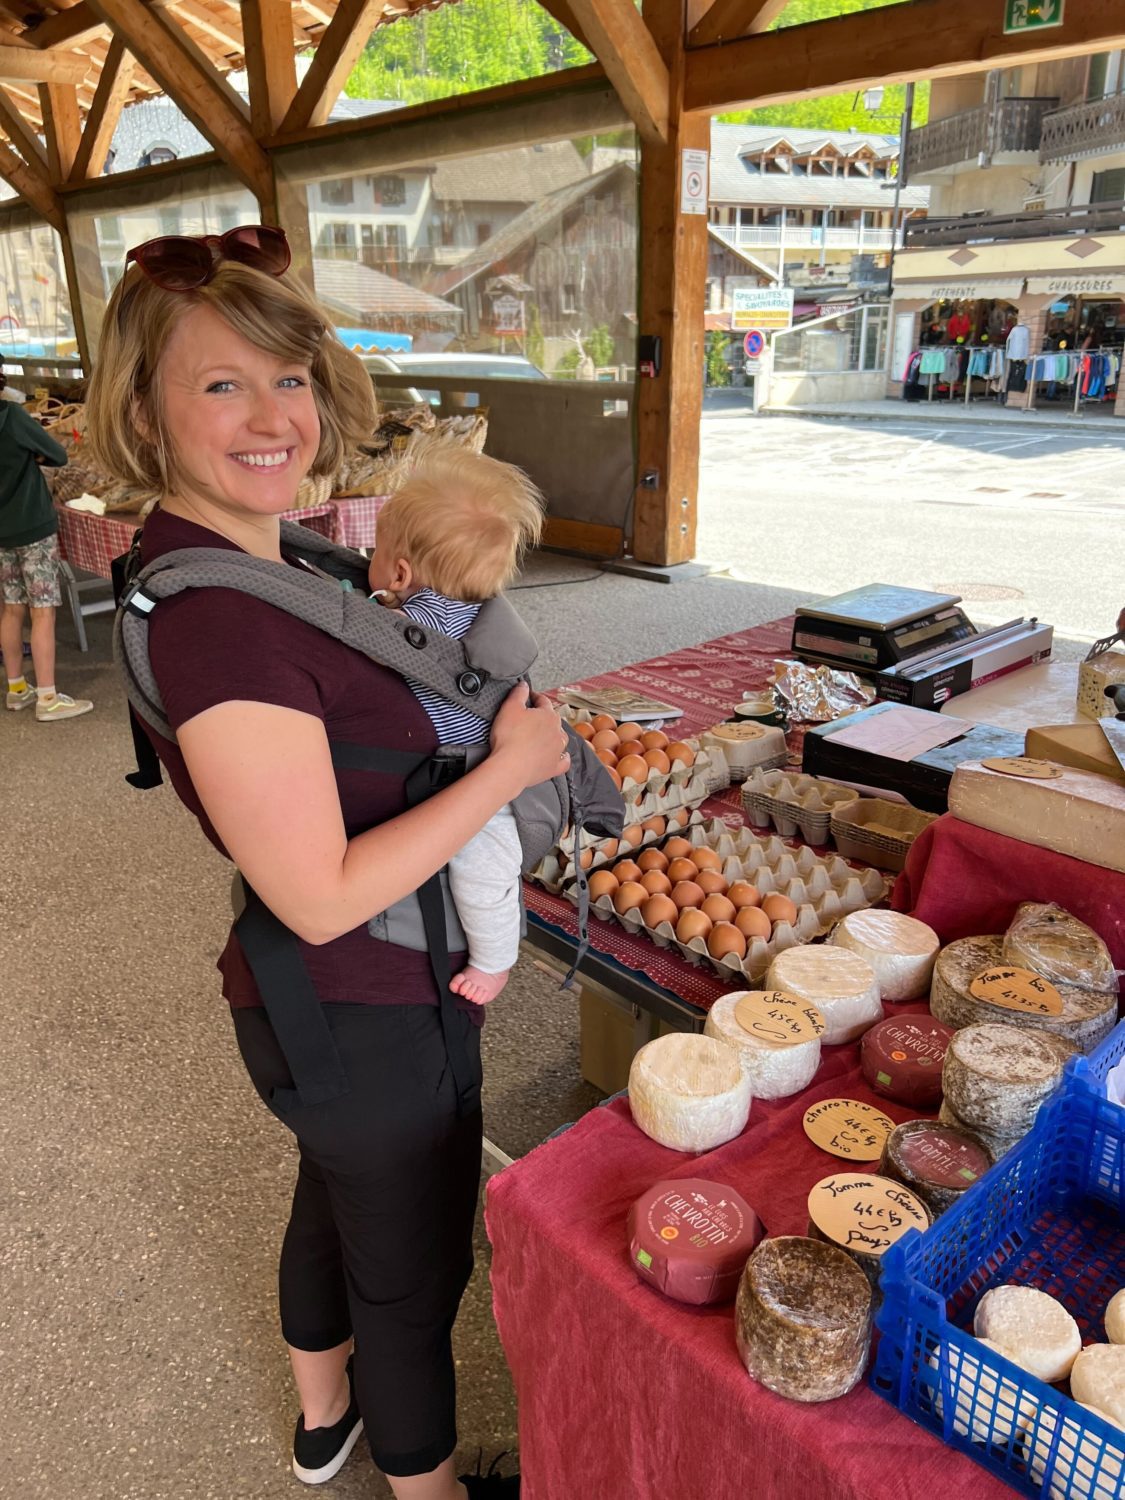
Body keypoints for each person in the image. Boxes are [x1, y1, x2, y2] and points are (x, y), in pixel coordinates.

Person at [85, 225, 569, 1499]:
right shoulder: (222, 627)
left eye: (289, 377)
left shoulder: (272, 558)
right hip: (363, 996)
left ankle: (323, 1420)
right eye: (222, 383)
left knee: (337, 1196)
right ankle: (426, 1485)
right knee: (411, 1268)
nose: (272, 417)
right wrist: (510, 771)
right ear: (145, 410)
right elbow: (317, 893)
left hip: (323, 1007)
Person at [367, 449, 543, 1005]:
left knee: (482, 873)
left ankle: (495, 961)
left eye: (374, 553)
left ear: (400, 573)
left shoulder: (421, 622)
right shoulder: (472, 609)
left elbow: (371, 640)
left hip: (483, 781)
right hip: (464, 766)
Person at [0, 393, 93, 721]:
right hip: (33, 528)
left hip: (1, 534)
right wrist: (32, 455)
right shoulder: (12, 416)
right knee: (42, 613)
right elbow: (58, 454)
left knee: (11, 610)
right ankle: (48, 698)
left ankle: (16, 690)